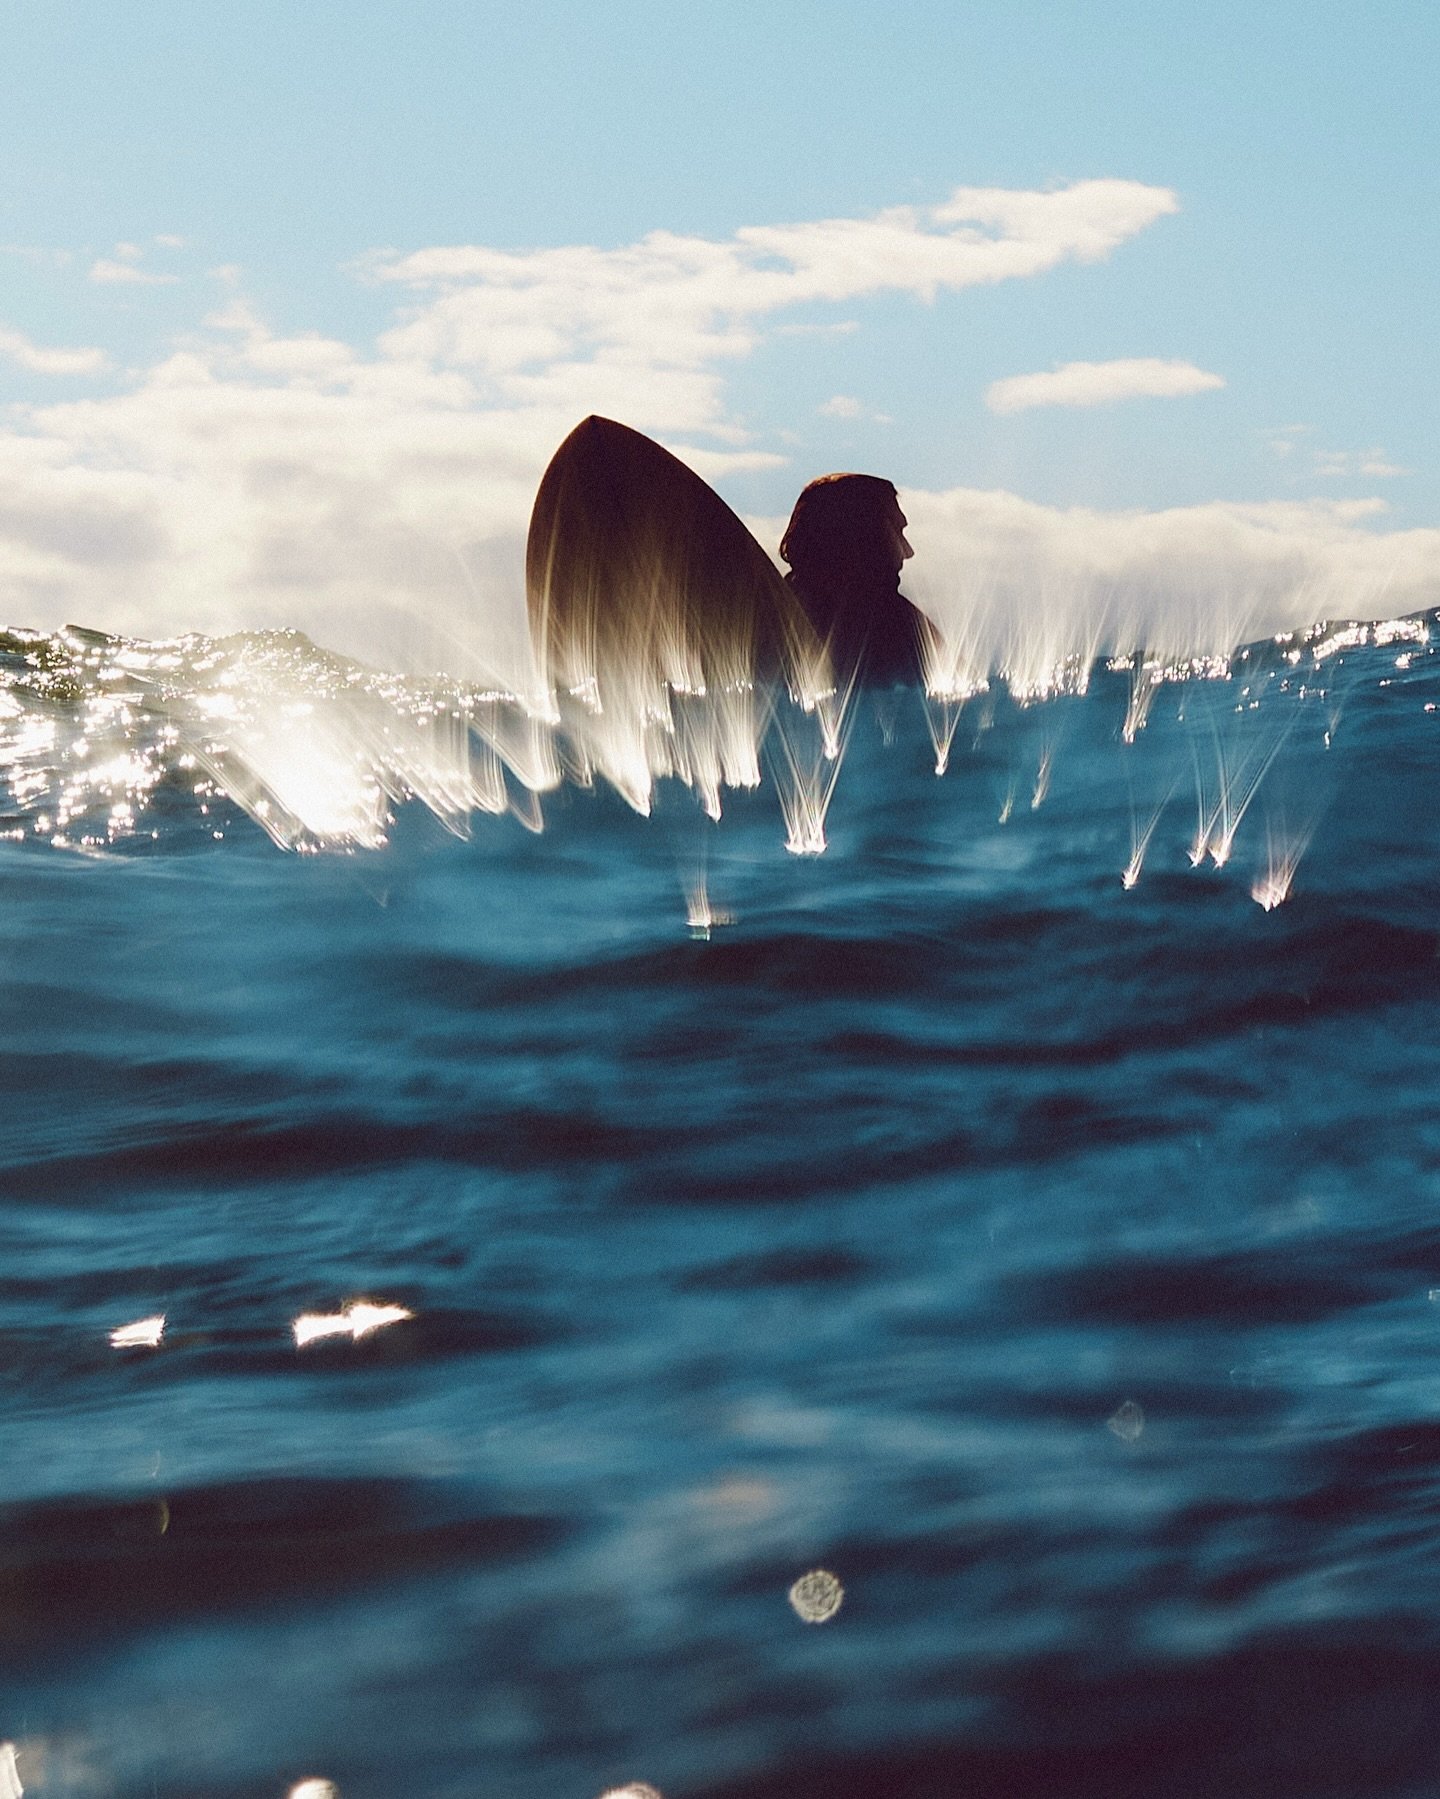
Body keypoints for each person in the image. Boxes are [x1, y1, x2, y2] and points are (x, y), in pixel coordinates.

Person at [779, 473, 927, 686]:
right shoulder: (895, 627)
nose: (908, 552)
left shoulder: (772, 617)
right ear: (864, 537)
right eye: (896, 532)